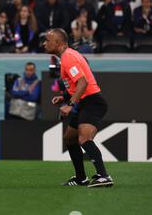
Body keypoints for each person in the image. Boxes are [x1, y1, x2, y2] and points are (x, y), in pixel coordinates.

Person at [43, 28, 113, 188]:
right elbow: (77, 85)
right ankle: (81, 178)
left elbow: (83, 82)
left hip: (93, 102)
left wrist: (70, 104)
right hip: (85, 101)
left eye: (47, 40)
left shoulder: (68, 57)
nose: (44, 43)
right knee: (69, 138)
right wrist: (65, 97)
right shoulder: (67, 57)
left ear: (59, 43)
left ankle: (104, 176)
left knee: (84, 139)